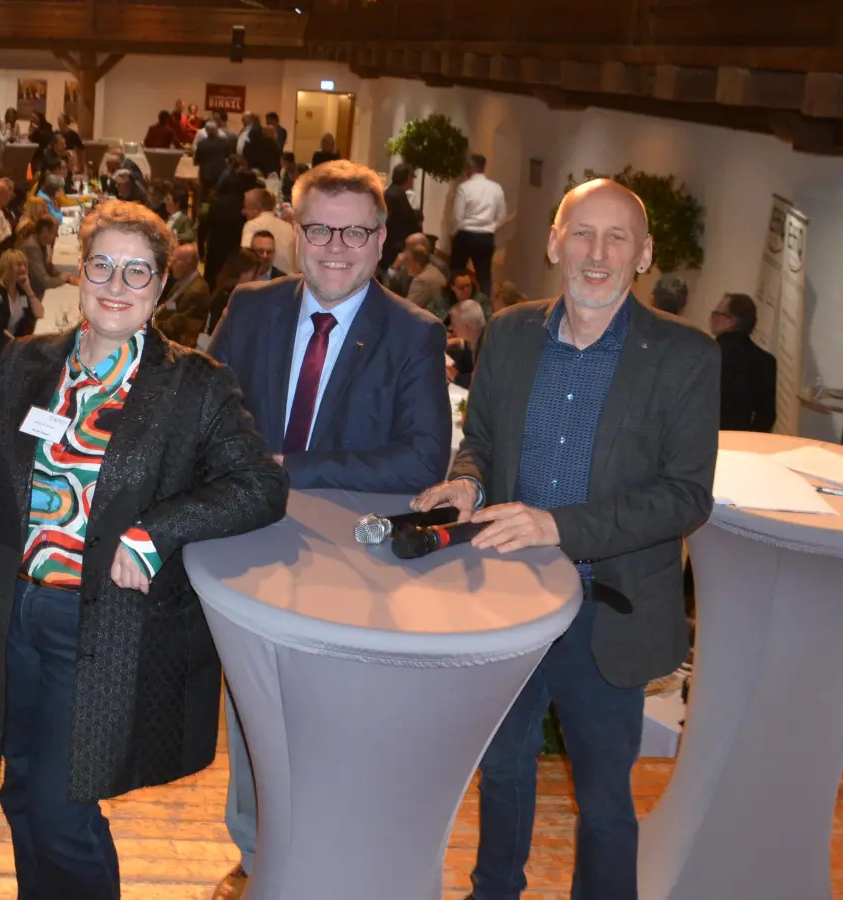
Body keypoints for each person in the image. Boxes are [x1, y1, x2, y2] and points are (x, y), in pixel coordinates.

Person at [0, 199, 288, 900]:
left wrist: (157, 532)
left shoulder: (193, 384)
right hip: (12, 611)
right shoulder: (27, 363)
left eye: (137, 271)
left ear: (160, 285)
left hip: (99, 627)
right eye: (102, 265)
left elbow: (260, 485)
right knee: (19, 790)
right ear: (79, 272)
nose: (116, 285)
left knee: (61, 814)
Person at [413, 178, 718, 900]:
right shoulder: (511, 331)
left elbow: (685, 496)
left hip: (608, 608)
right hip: (509, 599)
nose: (597, 253)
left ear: (644, 254)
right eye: (582, 232)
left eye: (617, 238)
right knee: (504, 767)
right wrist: (468, 484)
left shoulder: (686, 356)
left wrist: (558, 526)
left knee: (605, 799)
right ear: (554, 242)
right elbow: (482, 441)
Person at [205, 161, 451, 899]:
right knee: (252, 712)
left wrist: (287, 468)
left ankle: (334, 864)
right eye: (319, 229)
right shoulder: (250, 308)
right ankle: (254, 858)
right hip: (250, 553)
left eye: (354, 232)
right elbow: (205, 413)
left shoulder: (413, 333)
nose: (336, 247)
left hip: (355, 569)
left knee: (338, 726)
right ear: (294, 231)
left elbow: (422, 457)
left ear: (381, 240)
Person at [710, 291, 776, 432]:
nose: (711, 318)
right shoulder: (767, 361)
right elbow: (767, 416)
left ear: (730, 321)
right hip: (741, 439)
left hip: (703, 437)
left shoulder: (708, 353)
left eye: (716, 314)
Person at [450, 152, 507, 291]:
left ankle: (456, 299)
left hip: (465, 235)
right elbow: (501, 215)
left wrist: (454, 234)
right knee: (484, 276)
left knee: (457, 272)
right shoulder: (496, 188)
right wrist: (491, 227)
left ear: (469, 167)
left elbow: (457, 216)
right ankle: (484, 302)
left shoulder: (464, 187)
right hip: (486, 237)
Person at [152, 243, 208, 337]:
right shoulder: (184, 280)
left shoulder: (197, 293)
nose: (170, 265)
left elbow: (178, 327)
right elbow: (173, 305)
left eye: (174, 262)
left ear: (187, 264)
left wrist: (151, 326)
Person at [379, 164, 423, 271]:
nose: (412, 181)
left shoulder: (393, 193)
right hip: (392, 250)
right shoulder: (396, 196)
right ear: (407, 178)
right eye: (411, 177)